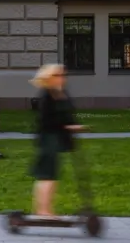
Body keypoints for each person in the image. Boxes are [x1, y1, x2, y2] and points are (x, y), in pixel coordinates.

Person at [29, 63, 86, 218]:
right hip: (48, 139)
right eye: (57, 75)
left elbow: (68, 113)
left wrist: (73, 125)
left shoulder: (61, 93)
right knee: (47, 175)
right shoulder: (46, 96)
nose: (62, 78)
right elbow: (46, 121)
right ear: (48, 78)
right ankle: (43, 210)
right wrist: (68, 126)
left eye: (62, 75)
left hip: (57, 139)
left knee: (52, 176)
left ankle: (46, 210)